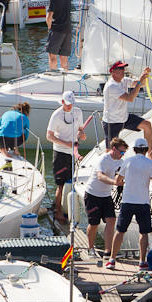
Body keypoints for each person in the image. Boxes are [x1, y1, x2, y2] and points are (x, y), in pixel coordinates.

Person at [106, 136, 152, 270]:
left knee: (120, 231)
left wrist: (125, 183)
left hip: (127, 202)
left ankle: (112, 260)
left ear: (135, 149)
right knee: (143, 233)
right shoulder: (151, 164)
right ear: (146, 150)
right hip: (143, 203)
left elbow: (118, 180)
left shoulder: (127, 161)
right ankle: (142, 262)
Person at [46, 91, 88, 223]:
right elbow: (49, 136)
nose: (70, 106)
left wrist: (82, 135)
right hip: (60, 152)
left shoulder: (78, 112)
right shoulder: (56, 115)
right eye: (67, 104)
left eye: (71, 104)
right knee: (60, 184)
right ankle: (57, 211)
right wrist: (65, 144)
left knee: (71, 181)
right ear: (62, 102)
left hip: (73, 151)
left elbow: (80, 129)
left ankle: (67, 210)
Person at [84, 137, 126, 255]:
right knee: (94, 224)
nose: (123, 155)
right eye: (121, 152)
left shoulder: (121, 162)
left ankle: (108, 251)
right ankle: (90, 248)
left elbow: (122, 175)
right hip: (92, 195)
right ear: (114, 149)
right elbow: (100, 176)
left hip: (106, 196)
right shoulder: (102, 159)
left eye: (124, 153)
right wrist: (114, 182)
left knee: (112, 220)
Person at [102, 60, 152, 150]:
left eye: (123, 68)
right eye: (120, 68)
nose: (123, 70)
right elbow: (130, 98)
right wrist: (139, 81)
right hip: (112, 122)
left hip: (124, 118)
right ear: (113, 72)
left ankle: (150, 154)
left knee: (147, 125)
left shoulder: (124, 80)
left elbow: (142, 84)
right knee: (110, 150)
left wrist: (145, 74)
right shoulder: (111, 86)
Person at [45, 0, 72, 70]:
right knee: (64, 56)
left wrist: (49, 27)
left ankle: (53, 73)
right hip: (68, 29)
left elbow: (49, 17)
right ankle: (66, 73)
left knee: (52, 55)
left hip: (57, 29)